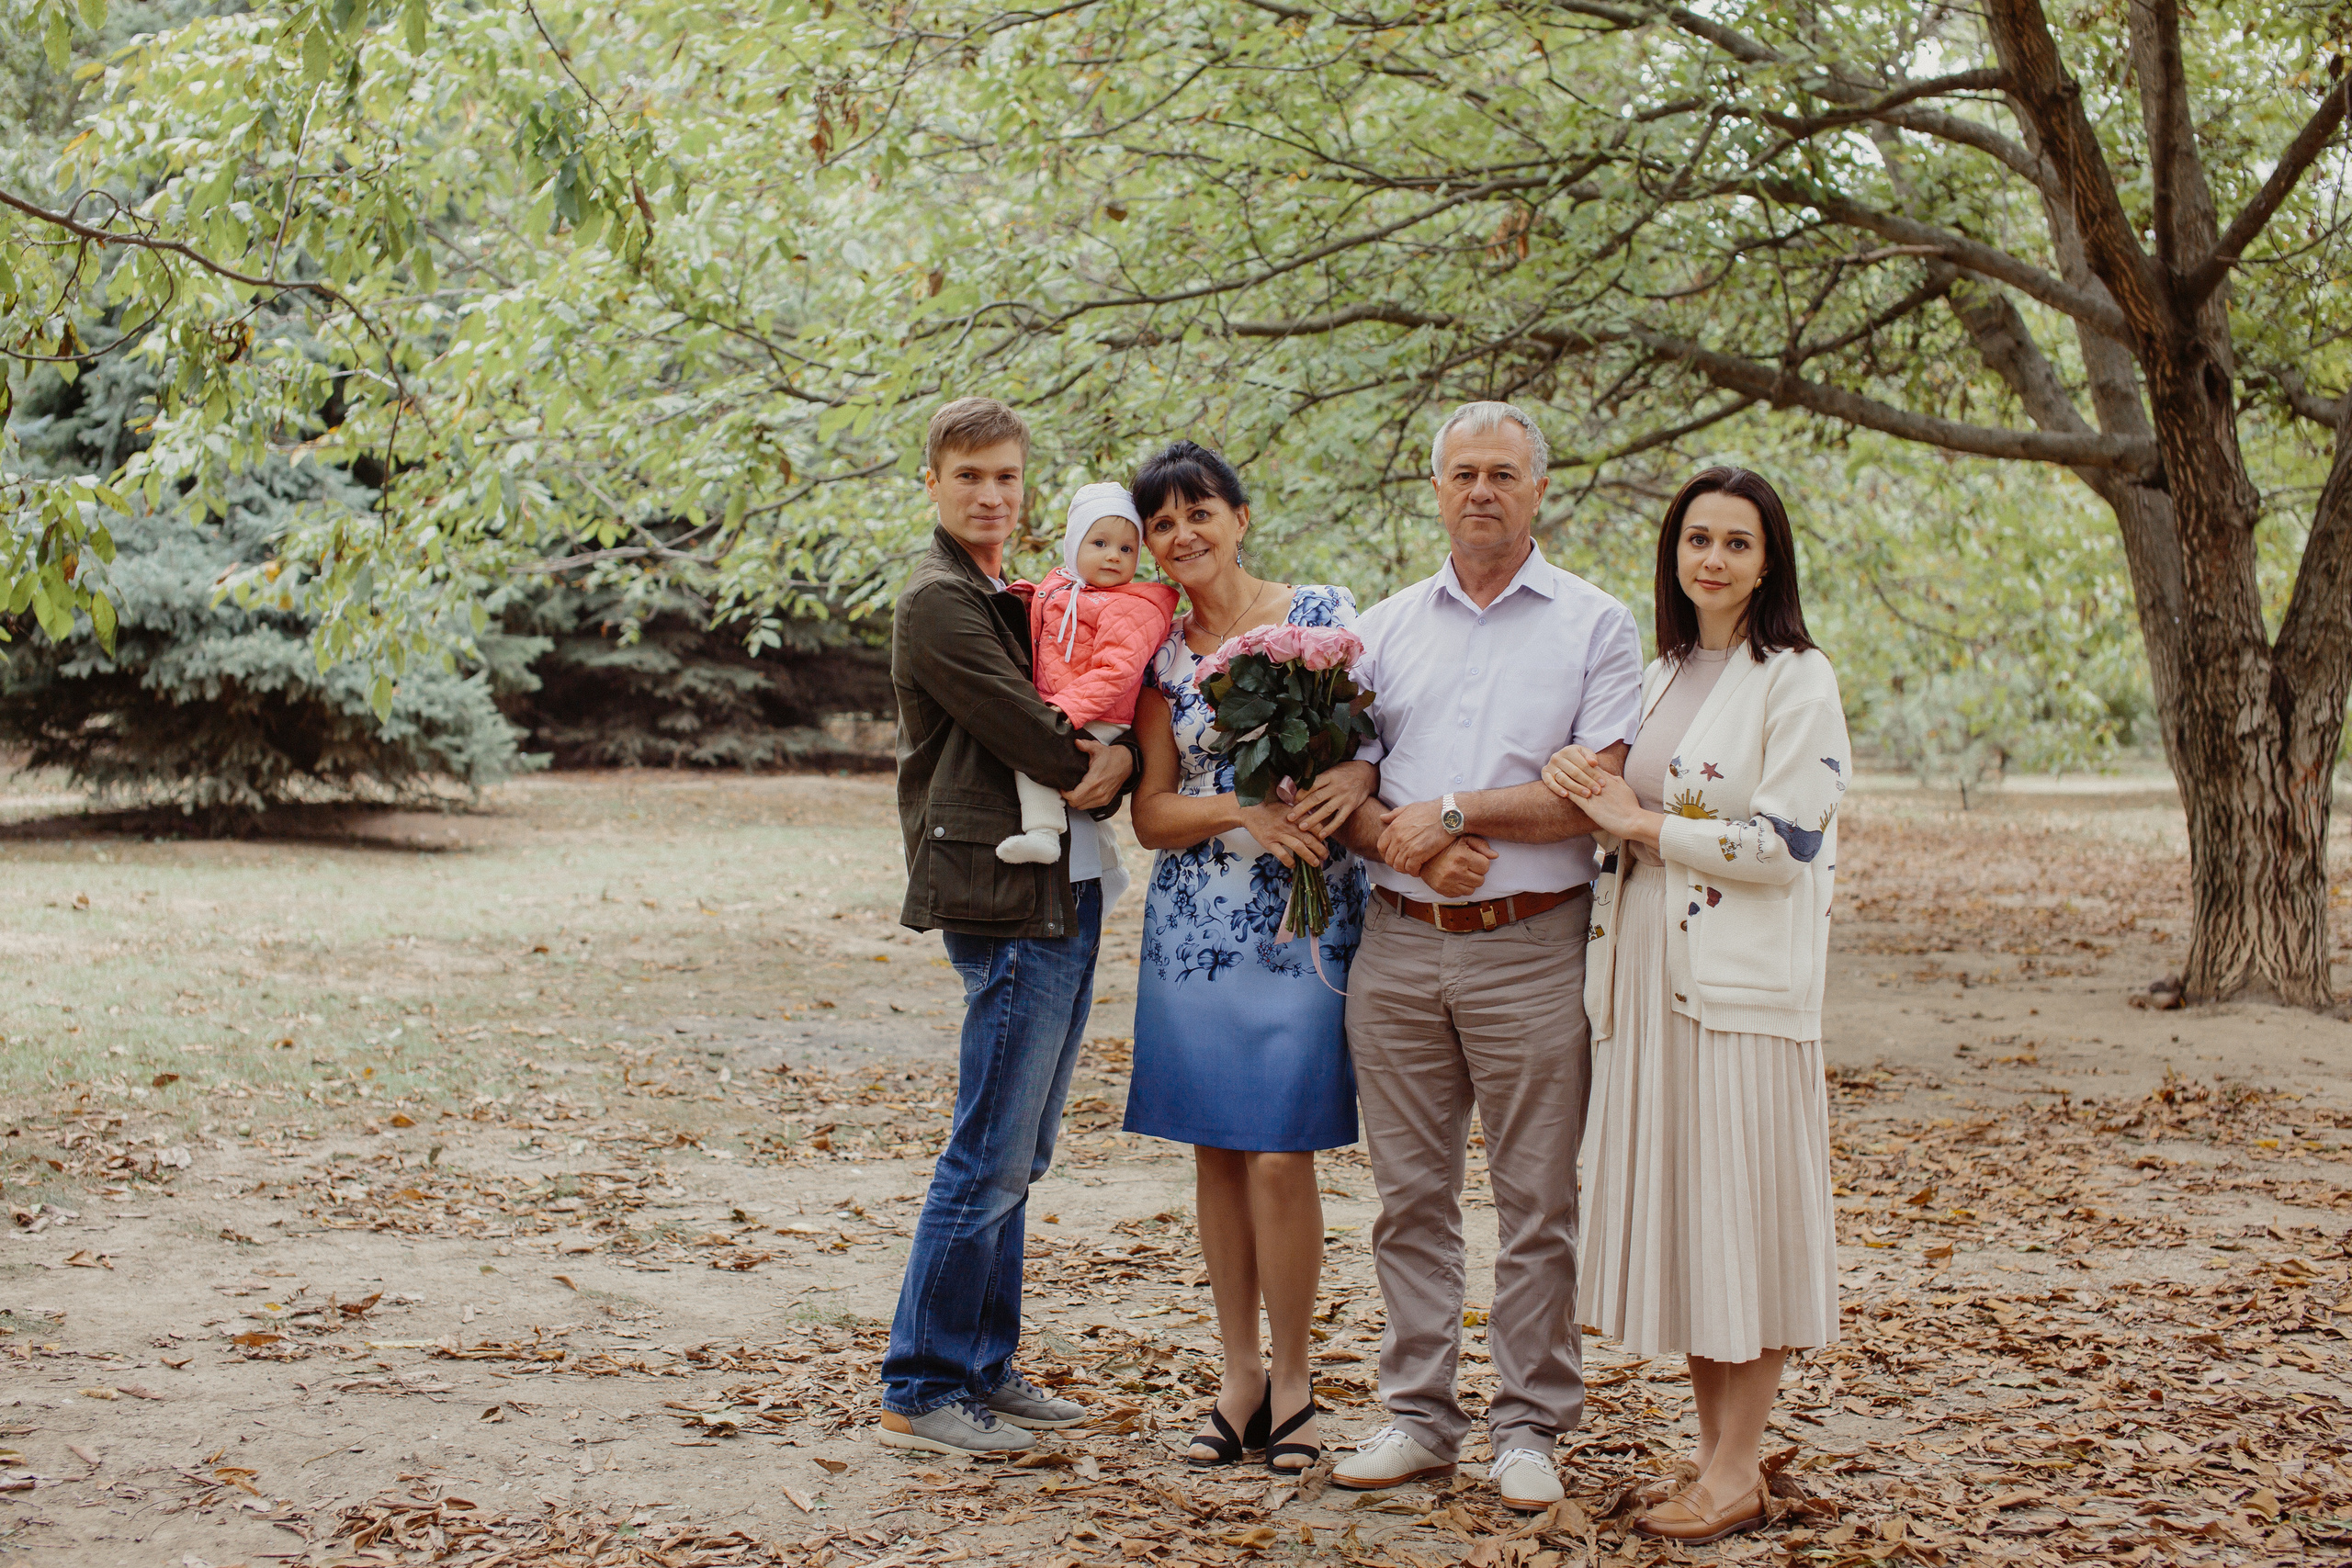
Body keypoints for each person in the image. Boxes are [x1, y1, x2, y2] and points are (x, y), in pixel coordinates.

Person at [1329, 402, 1644, 1513]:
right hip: (1399, 952)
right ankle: (1417, 1415)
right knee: (1408, 1199)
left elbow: (1597, 790)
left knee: (1535, 1201)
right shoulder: (1380, 630)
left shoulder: (1597, 627)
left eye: (1503, 473)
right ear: (1434, 489)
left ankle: (1530, 1427)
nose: (1481, 491)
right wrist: (1396, 836)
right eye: (1462, 473)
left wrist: (1455, 816)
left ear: (1537, 490)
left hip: (1533, 952)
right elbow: (1348, 790)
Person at [1541, 467, 1848, 1545]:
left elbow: (1784, 844)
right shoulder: (1666, 670)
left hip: (1743, 993)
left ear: (1770, 562)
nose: (1713, 559)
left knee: (1745, 1221)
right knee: (1697, 1223)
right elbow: (1630, 808)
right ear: (1674, 555)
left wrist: (1635, 821)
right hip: (1652, 982)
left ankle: (1734, 1468)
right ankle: (1721, 1461)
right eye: (1696, 540)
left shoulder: (1795, 678)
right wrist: (1590, 793)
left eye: (1737, 543)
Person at [877, 397, 1141, 1458]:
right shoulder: (939, 603)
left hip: (1059, 889)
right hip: (1003, 899)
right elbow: (1040, 735)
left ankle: (982, 1367)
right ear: (934, 484)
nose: (992, 495)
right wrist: (1113, 765)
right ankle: (922, 1383)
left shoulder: (1011, 593)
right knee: (986, 1150)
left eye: (1007, 478)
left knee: (1019, 1151)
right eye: (970, 476)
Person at [1121, 440, 1376, 1476]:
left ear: (1238, 516)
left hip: (1305, 925)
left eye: (1200, 512)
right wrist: (1241, 811)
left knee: (1281, 1150)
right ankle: (1239, 1380)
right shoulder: (1162, 654)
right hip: (1196, 932)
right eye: (1162, 524)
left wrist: (1350, 779)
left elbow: (1373, 739)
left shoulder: (1320, 614)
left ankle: (1300, 1381)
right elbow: (1150, 812)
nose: (1183, 535)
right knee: (1218, 1151)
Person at [998, 483, 1181, 897]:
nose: (1114, 555)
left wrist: (1060, 712)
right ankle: (1108, 868)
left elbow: (1116, 672)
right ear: (1073, 547)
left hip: (1099, 715)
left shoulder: (1134, 607)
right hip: (1070, 705)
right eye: (1099, 543)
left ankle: (1044, 833)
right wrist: (1027, 597)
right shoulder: (1065, 589)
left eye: (1127, 549)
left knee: (1032, 759)